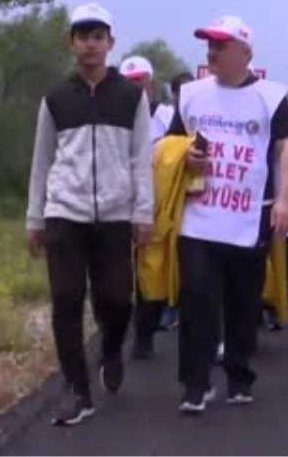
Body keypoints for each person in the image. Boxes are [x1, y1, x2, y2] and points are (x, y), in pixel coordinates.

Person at [25, 2, 154, 427]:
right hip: (65, 212)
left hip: (116, 214)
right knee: (65, 300)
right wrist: (35, 219)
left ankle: (112, 349)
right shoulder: (56, 98)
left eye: (98, 37)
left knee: (118, 301)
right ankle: (77, 391)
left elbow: (141, 159)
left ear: (110, 43)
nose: (90, 45)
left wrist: (144, 212)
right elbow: (42, 161)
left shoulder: (131, 96)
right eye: (83, 36)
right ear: (72, 43)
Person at [161, 15, 288, 413]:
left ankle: (239, 374)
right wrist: (185, 154)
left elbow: (286, 148)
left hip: (250, 215)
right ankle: (195, 383)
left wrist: (286, 199)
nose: (212, 51)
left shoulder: (271, 98)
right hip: (199, 215)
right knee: (197, 296)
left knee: (244, 302)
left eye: (221, 45)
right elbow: (169, 146)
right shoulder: (190, 95)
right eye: (209, 44)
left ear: (245, 53)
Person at [120, 55, 168, 359]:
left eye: (141, 82)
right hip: (120, 202)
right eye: (130, 83)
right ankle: (118, 332)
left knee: (152, 271)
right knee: (120, 273)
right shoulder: (114, 116)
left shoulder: (167, 115)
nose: (136, 88)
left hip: (158, 204)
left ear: (150, 82)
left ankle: (145, 332)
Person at [157, 71, 195, 332]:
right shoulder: (174, 119)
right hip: (176, 197)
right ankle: (171, 307)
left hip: (205, 199)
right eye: (180, 94)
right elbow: (166, 151)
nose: (184, 98)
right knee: (174, 253)